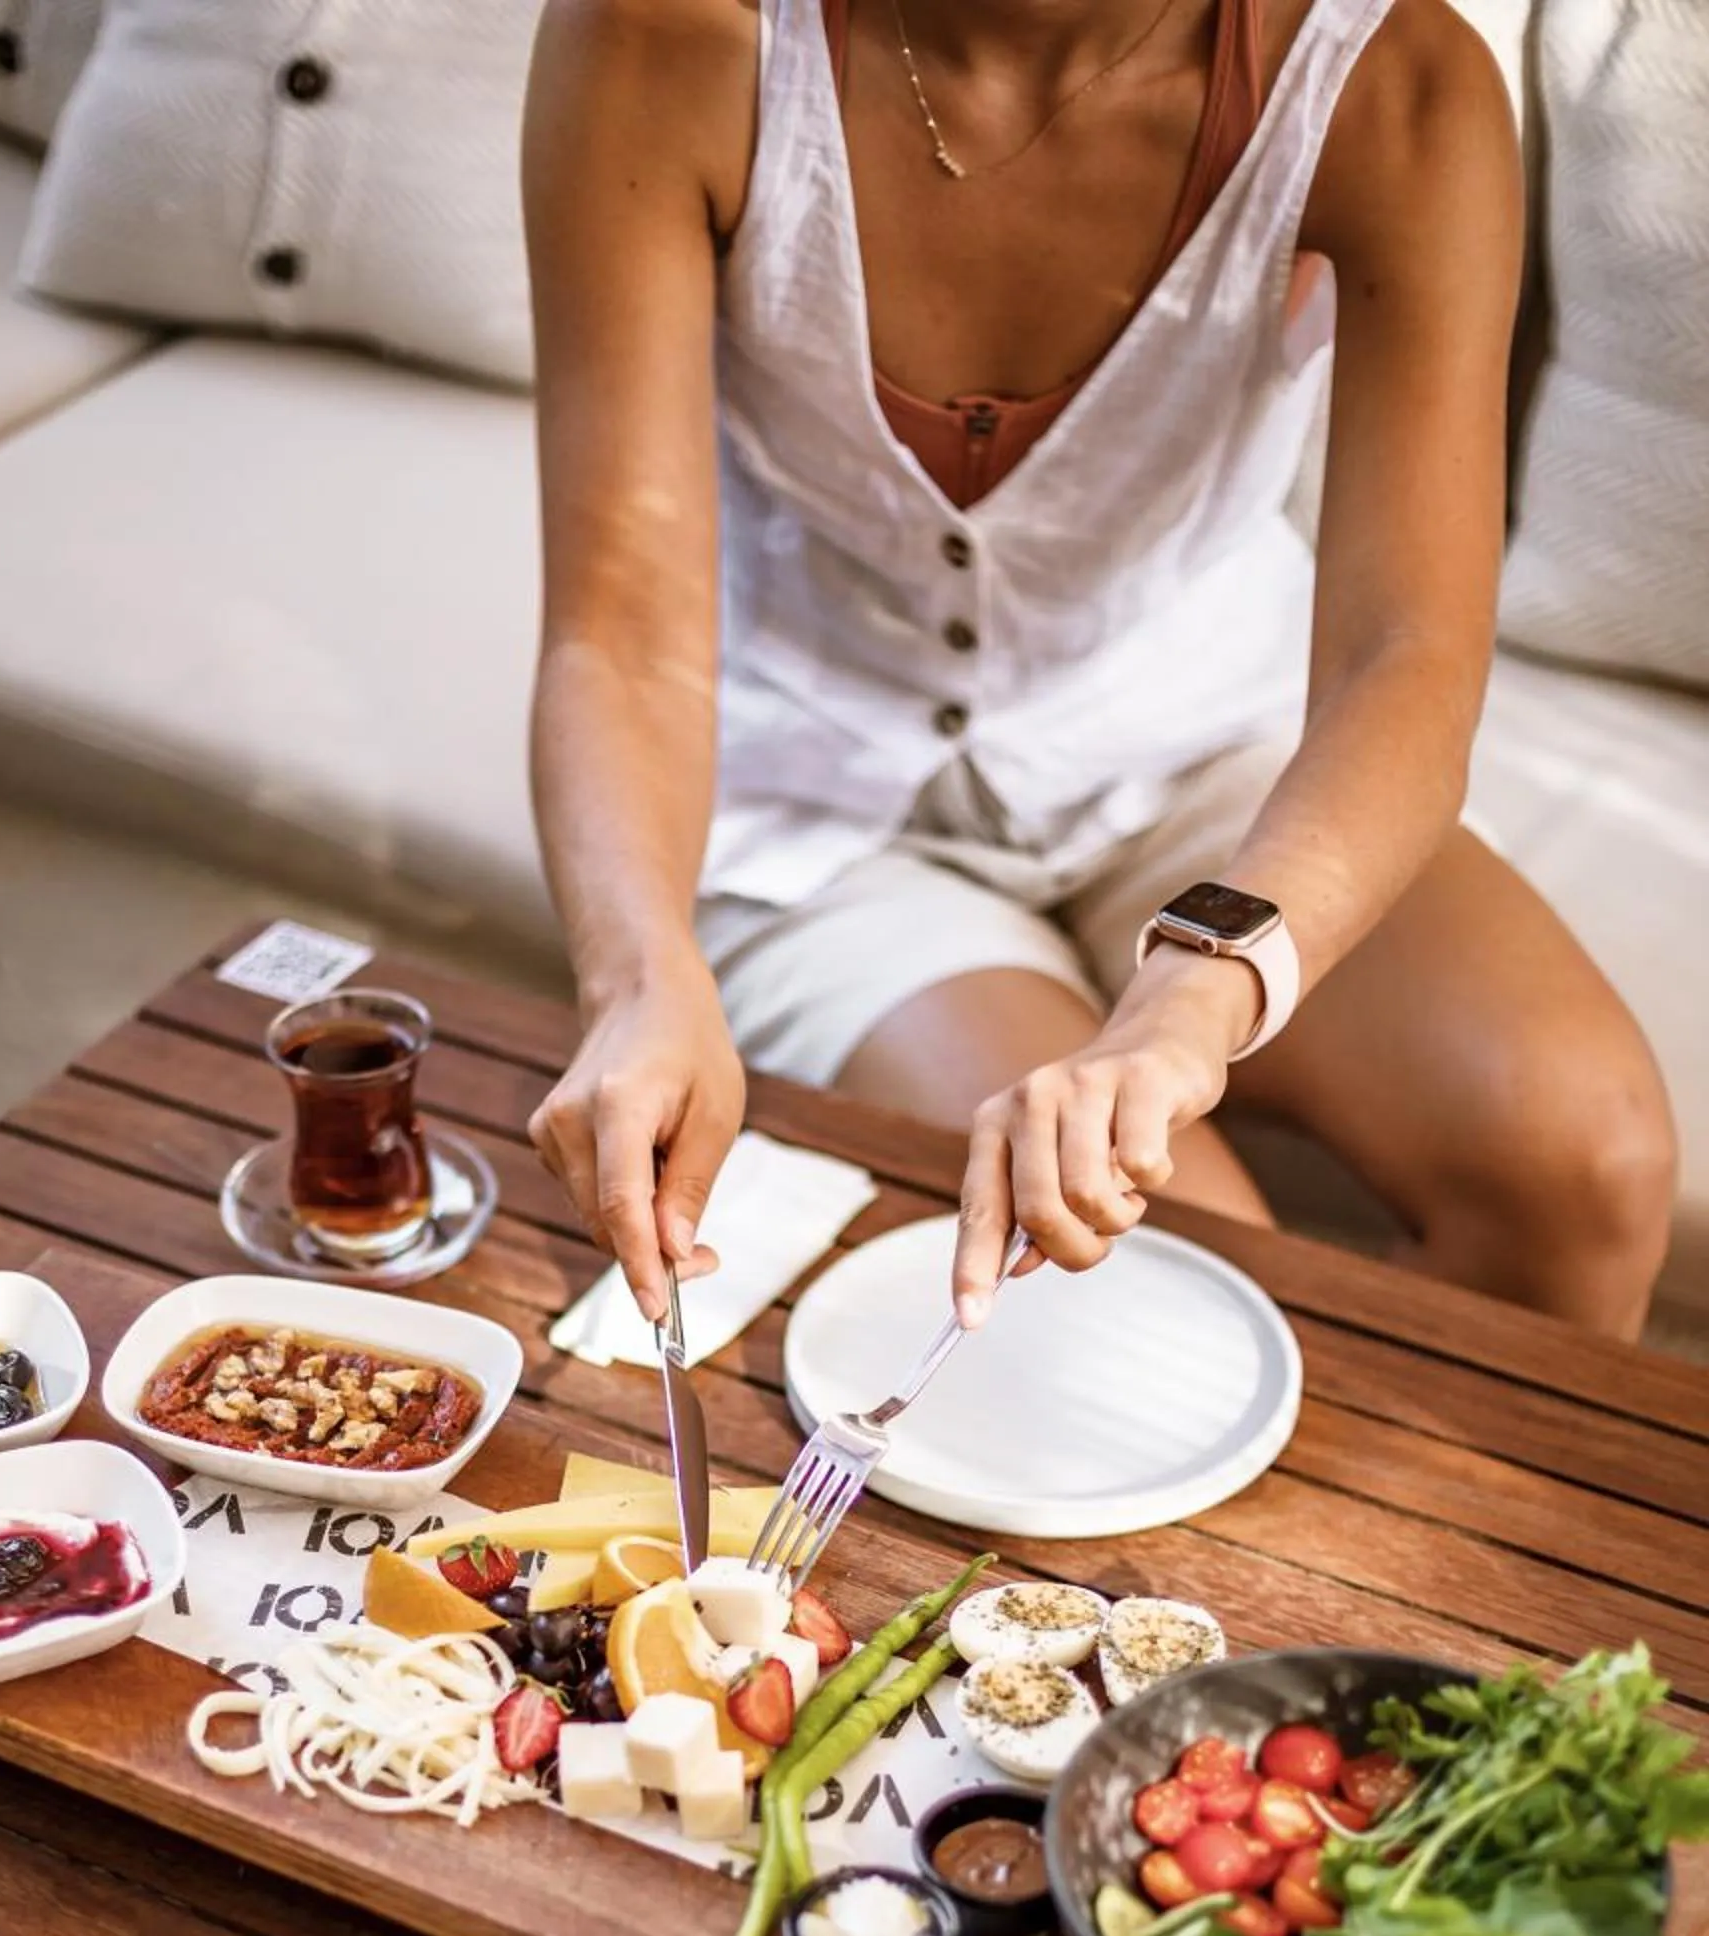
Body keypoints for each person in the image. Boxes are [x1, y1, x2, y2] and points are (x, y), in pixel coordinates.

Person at [520, 0, 1678, 1344]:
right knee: (1169, 1278)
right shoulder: (666, 33)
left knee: (1590, 1162)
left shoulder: (1396, 86)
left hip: (1208, 757)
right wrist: (637, 976)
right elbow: (623, 631)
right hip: (820, 813)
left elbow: (1402, 655)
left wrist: (1200, 989)